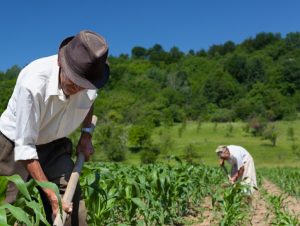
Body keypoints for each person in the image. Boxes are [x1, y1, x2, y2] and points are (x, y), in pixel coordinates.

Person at [0, 30, 110, 225]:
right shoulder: (33, 84)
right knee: (8, 209)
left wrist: (86, 136)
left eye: (83, 84)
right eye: (74, 80)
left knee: (70, 203)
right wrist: (50, 196)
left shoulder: (91, 78)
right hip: (15, 144)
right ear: (61, 62)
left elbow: (90, 100)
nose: (78, 87)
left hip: (55, 142)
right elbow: (25, 148)